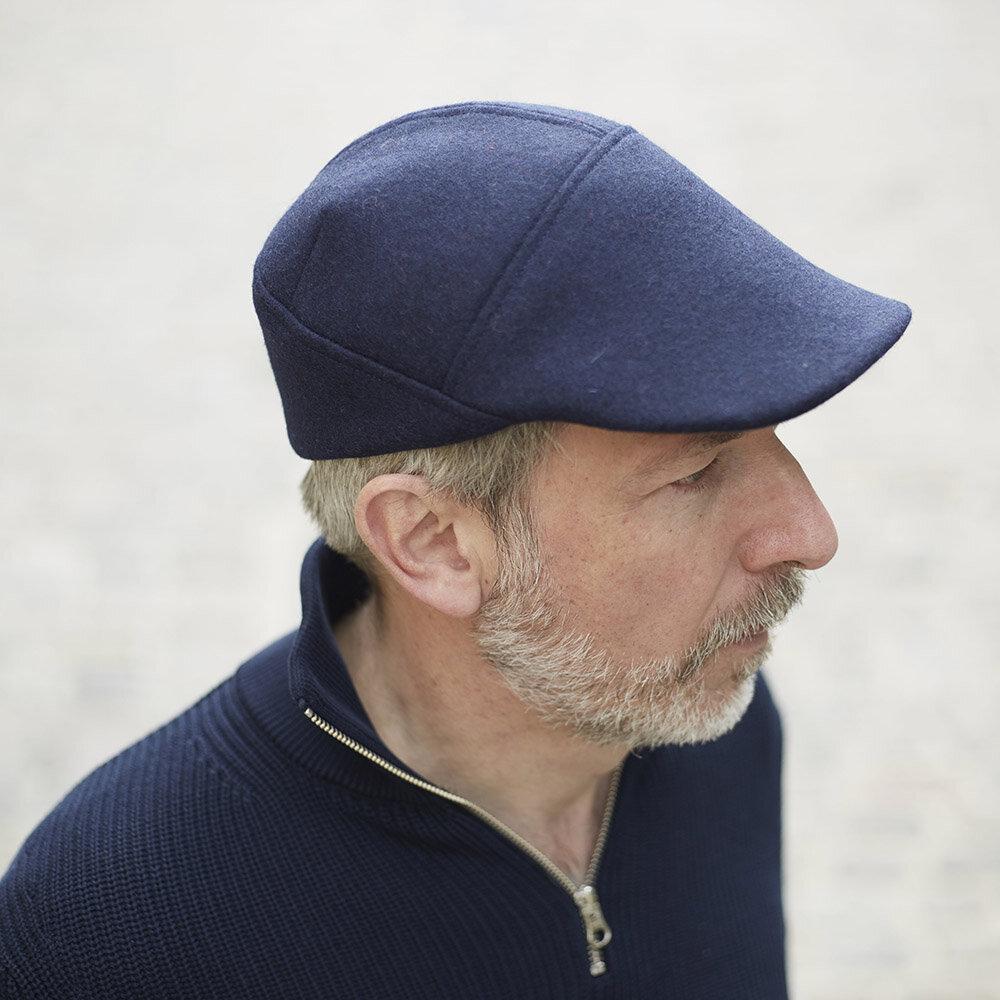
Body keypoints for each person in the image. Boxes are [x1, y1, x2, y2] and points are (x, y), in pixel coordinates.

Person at [0, 102, 910, 998]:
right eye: (696, 472)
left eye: (775, 437)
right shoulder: (109, 932)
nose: (811, 534)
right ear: (432, 542)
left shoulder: (710, 718)